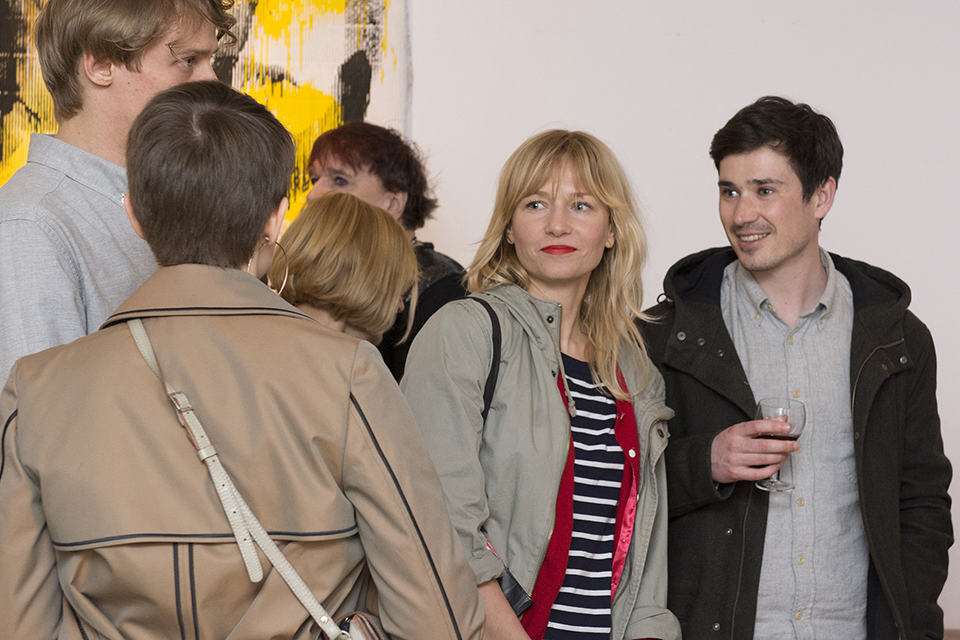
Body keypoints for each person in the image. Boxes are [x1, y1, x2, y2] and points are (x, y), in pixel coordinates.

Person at [0, 80, 484, 640]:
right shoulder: (348, 374)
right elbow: (439, 620)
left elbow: (19, 621)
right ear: (277, 219)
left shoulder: (37, 389)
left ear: (134, 215)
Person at [639, 96, 953, 639]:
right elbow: (613, 488)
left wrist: (914, 623)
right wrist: (704, 462)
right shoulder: (664, 334)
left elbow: (922, 500)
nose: (741, 214)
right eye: (729, 191)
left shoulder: (898, 338)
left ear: (822, 196)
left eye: (765, 190)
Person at [402, 129, 681, 640]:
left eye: (581, 205)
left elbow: (645, 563)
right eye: (535, 203)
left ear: (611, 230)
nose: (557, 224)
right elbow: (440, 522)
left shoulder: (635, 372)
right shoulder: (466, 332)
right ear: (510, 228)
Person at [0, 0, 236, 380]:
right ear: (100, 65)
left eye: (211, 60)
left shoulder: (181, 199)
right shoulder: (30, 227)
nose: (212, 81)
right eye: (188, 60)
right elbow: (40, 414)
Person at [306, 121, 465, 380]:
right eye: (314, 180)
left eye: (340, 180)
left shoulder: (445, 290)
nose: (313, 194)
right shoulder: (317, 276)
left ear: (393, 203)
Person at [267, 191, 419, 346]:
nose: (400, 307)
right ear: (363, 279)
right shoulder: (357, 360)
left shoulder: (260, 338)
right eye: (396, 290)